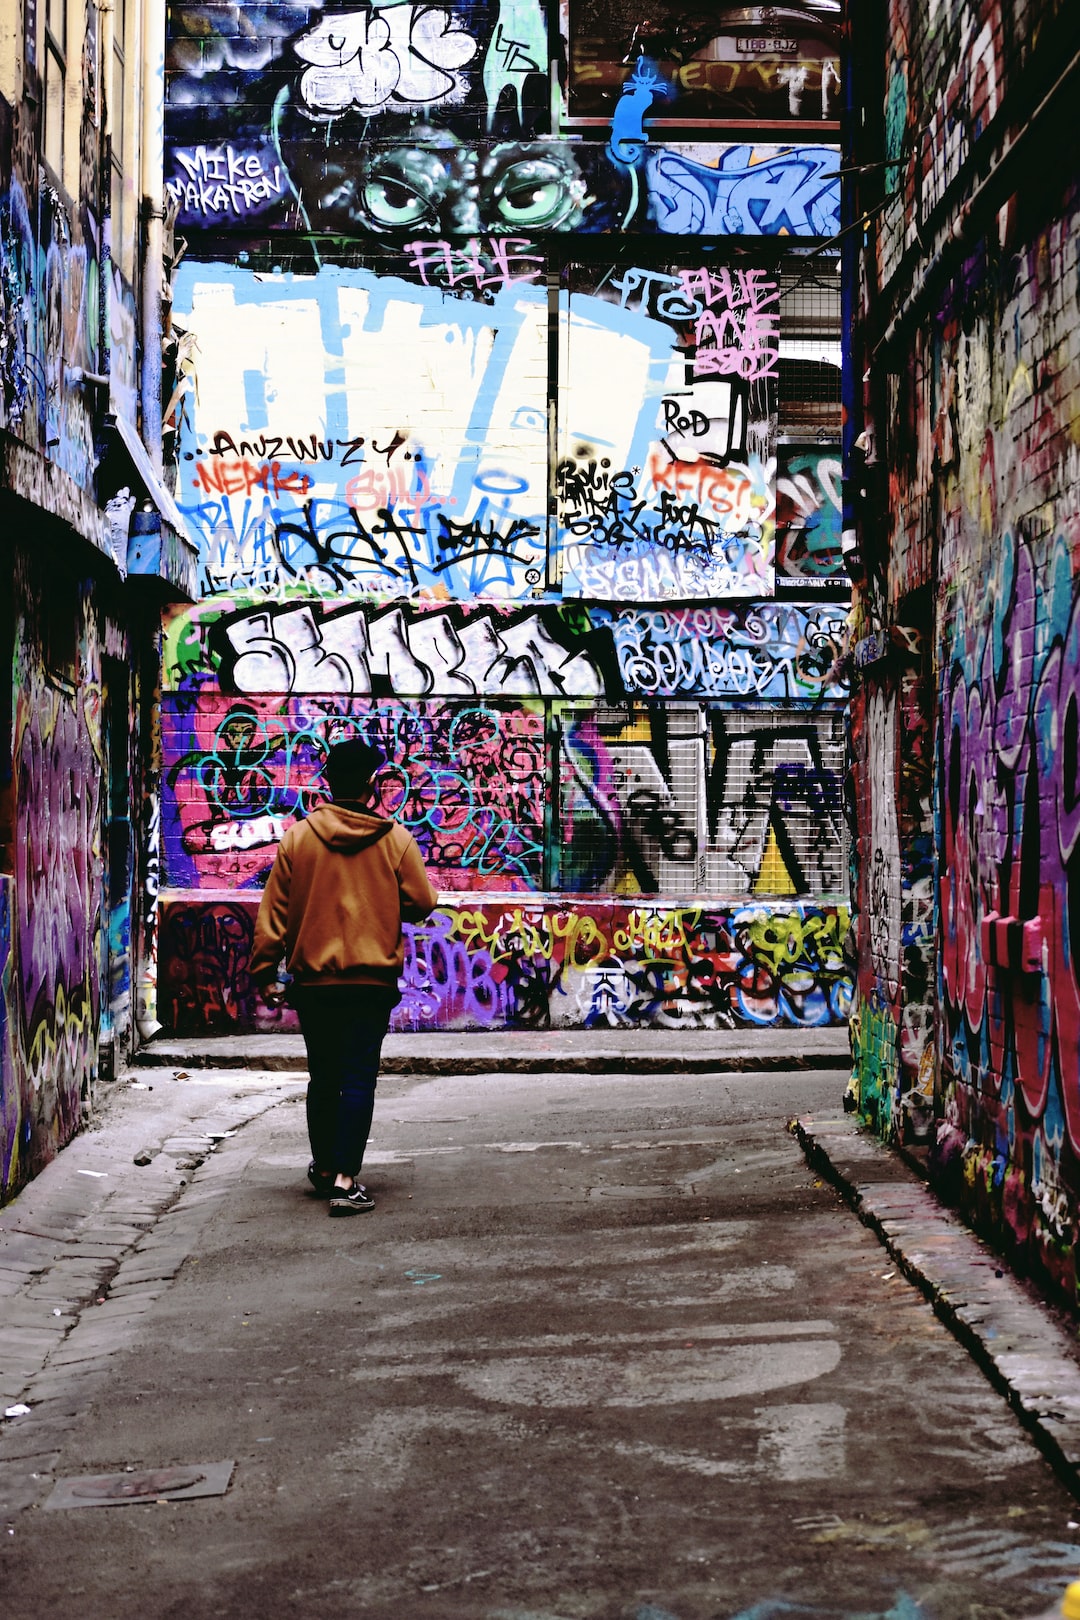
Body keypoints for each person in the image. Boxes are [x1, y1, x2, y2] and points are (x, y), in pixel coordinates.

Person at [250, 737, 438, 1215]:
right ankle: (346, 1179)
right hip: (370, 984)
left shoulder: (298, 838)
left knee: (323, 1076)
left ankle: (323, 1164)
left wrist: (265, 970)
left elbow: (273, 913)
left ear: (328, 784)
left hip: (314, 983)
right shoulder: (396, 840)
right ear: (372, 784)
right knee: (358, 1078)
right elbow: (423, 902)